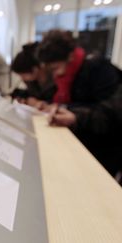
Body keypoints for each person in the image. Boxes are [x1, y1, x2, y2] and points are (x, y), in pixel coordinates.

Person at [37, 29, 122, 176]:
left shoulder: (99, 69)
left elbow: (112, 113)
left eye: (56, 68)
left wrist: (76, 116)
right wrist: (57, 107)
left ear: (70, 56)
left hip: (105, 150)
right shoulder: (68, 75)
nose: (55, 74)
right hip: (85, 144)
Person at [11, 42, 57, 109]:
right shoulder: (33, 82)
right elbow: (21, 93)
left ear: (35, 70)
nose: (22, 78)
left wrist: (43, 104)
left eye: (22, 75)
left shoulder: (56, 80)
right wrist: (26, 99)